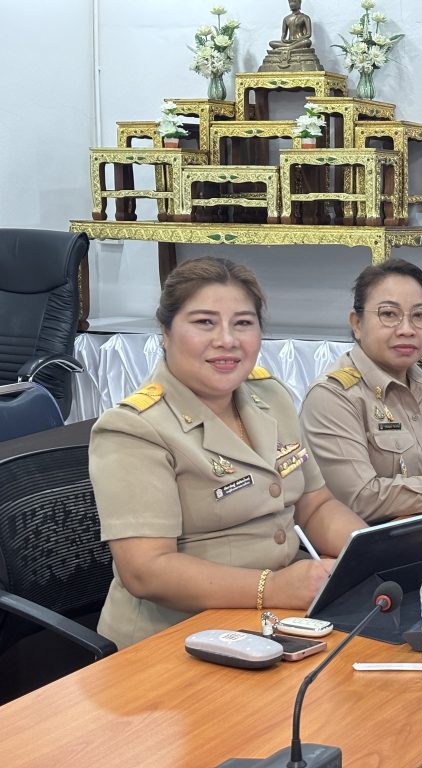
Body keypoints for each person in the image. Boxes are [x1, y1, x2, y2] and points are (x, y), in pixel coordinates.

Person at [90, 257, 365, 649]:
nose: (227, 340)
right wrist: (273, 587)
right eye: (205, 322)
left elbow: (315, 505)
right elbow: (146, 571)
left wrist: (373, 554)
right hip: (173, 639)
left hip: (275, 618)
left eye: (243, 323)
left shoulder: (271, 396)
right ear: (165, 331)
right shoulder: (134, 428)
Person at [300, 260, 422, 523]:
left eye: (419, 316)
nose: (407, 330)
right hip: (378, 543)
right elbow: (361, 499)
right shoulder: (332, 397)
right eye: (389, 314)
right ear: (357, 323)